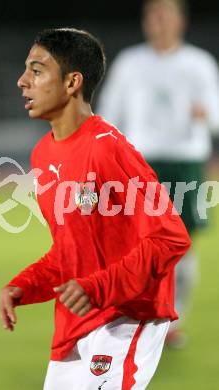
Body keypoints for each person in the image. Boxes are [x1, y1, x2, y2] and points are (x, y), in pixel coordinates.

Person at [0, 28, 191, 389]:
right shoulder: (44, 154)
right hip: (75, 324)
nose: (23, 81)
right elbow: (72, 250)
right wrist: (26, 285)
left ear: (73, 82)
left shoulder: (109, 149)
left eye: (37, 71)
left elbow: (170, 238)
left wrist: (99, 287)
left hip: (126, 317)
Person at [97, 0, 219, 348]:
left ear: (181, 21)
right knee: (135, 245)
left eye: (166, 15)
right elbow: (109, 111)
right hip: (141, 163)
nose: (159, 22)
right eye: (153, 16)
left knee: (181, 248)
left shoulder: (199, 63)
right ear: (145, 22)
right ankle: (135, 315)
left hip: (185, 162)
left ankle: (171, 320)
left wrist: (206, 114)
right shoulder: (130, 63)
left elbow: (216, 113)